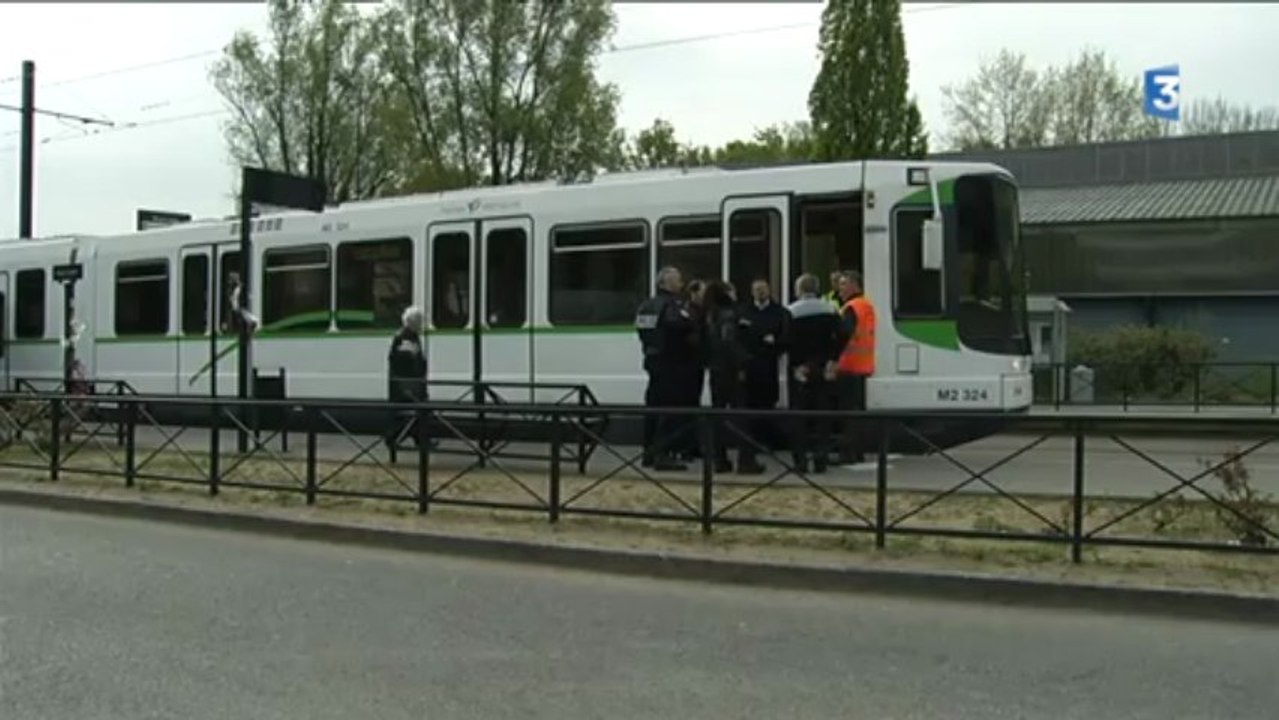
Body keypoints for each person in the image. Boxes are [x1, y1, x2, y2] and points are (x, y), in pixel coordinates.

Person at [635, 267, 697, 471]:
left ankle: (649, 453)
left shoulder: (646, 305)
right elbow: (680, 325)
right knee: (670, 410)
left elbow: (642, 331)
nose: (681, 284)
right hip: (673, 363)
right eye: (677, 281)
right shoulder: (672, 304)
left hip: (652, 361)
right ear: (666, 284)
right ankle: (663, 454)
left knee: (652, 408)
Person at [702, 280, 764, 474]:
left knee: (718, 416)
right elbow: (728, 342)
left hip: (716, 370)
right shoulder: (729, 314)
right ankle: (746, 461)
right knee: (741, 415)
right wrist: (743, 362)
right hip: (731, 370)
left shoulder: (710, 315)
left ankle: (719, 460)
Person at [784, 274, 842, 473]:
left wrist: (797, 364)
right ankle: (821, 459)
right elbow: (842, 336)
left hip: (801, 368)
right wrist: (832, 360)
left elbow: (786, 341)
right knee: (822, 415)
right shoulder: (830, 309)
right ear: (817, 289)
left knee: (798, 416)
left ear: (799, 290)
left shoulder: (791, 312)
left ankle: (800, 461)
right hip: (823, 366)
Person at [739, 278, 789, 451]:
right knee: (749, 404)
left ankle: (769, 442)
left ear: (769, 291)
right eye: (757, 289)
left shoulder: (779, 312)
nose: (760, 292)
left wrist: (774, 343)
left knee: (767, 403)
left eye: (763, 289)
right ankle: (752, 442)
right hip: (748, 365)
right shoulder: (744, 311)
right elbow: (738, 337)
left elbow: (787, 337)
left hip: (768, 365)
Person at [834, 270, 876, 465]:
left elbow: (843, 335)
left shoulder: (851, 307)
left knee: (848, 412)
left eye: (843, 284)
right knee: (857, 411)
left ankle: (848, 453)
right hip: (862, 366)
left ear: (854, 285)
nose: (839, 288)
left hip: (848, 365)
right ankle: (857, 451)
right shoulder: (866, 305)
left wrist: (833, 358)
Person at [386, 305, 429, 453]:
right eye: (420, 321)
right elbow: (400, 363)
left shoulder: (412, 337)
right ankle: (395, 439)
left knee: (417, 413)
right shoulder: (402, 338)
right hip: (405, 385)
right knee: (413, 413)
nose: (422, 324)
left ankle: (419, 440)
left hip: (412, 384)